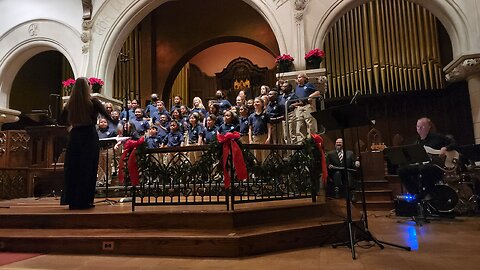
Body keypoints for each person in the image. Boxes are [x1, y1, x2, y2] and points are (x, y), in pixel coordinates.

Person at [58, 77, 113, 210]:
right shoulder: (93, 102)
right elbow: (107, 115)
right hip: (89, 136)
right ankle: (85, 200)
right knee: (88, 168)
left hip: (75, 136)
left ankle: (72, 200)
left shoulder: (69, 104)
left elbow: (61, 122)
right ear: (87, 87)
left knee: (74, 168)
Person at [398, 117, 454, 199]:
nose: (419, 128)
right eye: (418, 126)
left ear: (429, 127)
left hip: (438, 167)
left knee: (424, 169)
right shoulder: (416, 142)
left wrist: (445, 148)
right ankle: (416, 193)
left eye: (422, 126)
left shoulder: (438, 137)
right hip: (422, 166)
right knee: (401, 170)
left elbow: (453, 143)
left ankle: (427, 193)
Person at [292, 72, 321, 144]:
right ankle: (302, 142)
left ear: (305, 78)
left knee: (310, 123)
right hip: (299, 107)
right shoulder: (297, 88)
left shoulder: (308, 85)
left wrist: (310, 96)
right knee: (300, 125)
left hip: (307, 106)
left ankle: (312, 140)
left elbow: (317, 92)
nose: (298, 79)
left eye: (300, 77)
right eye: (298, 77)